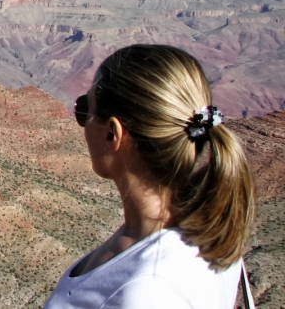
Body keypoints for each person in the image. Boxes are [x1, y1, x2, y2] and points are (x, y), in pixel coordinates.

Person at [42, 44, 256, 309]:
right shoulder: (209, 235)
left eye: (85, 108)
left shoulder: (147, 293)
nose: (81, 120)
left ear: (112, 134)